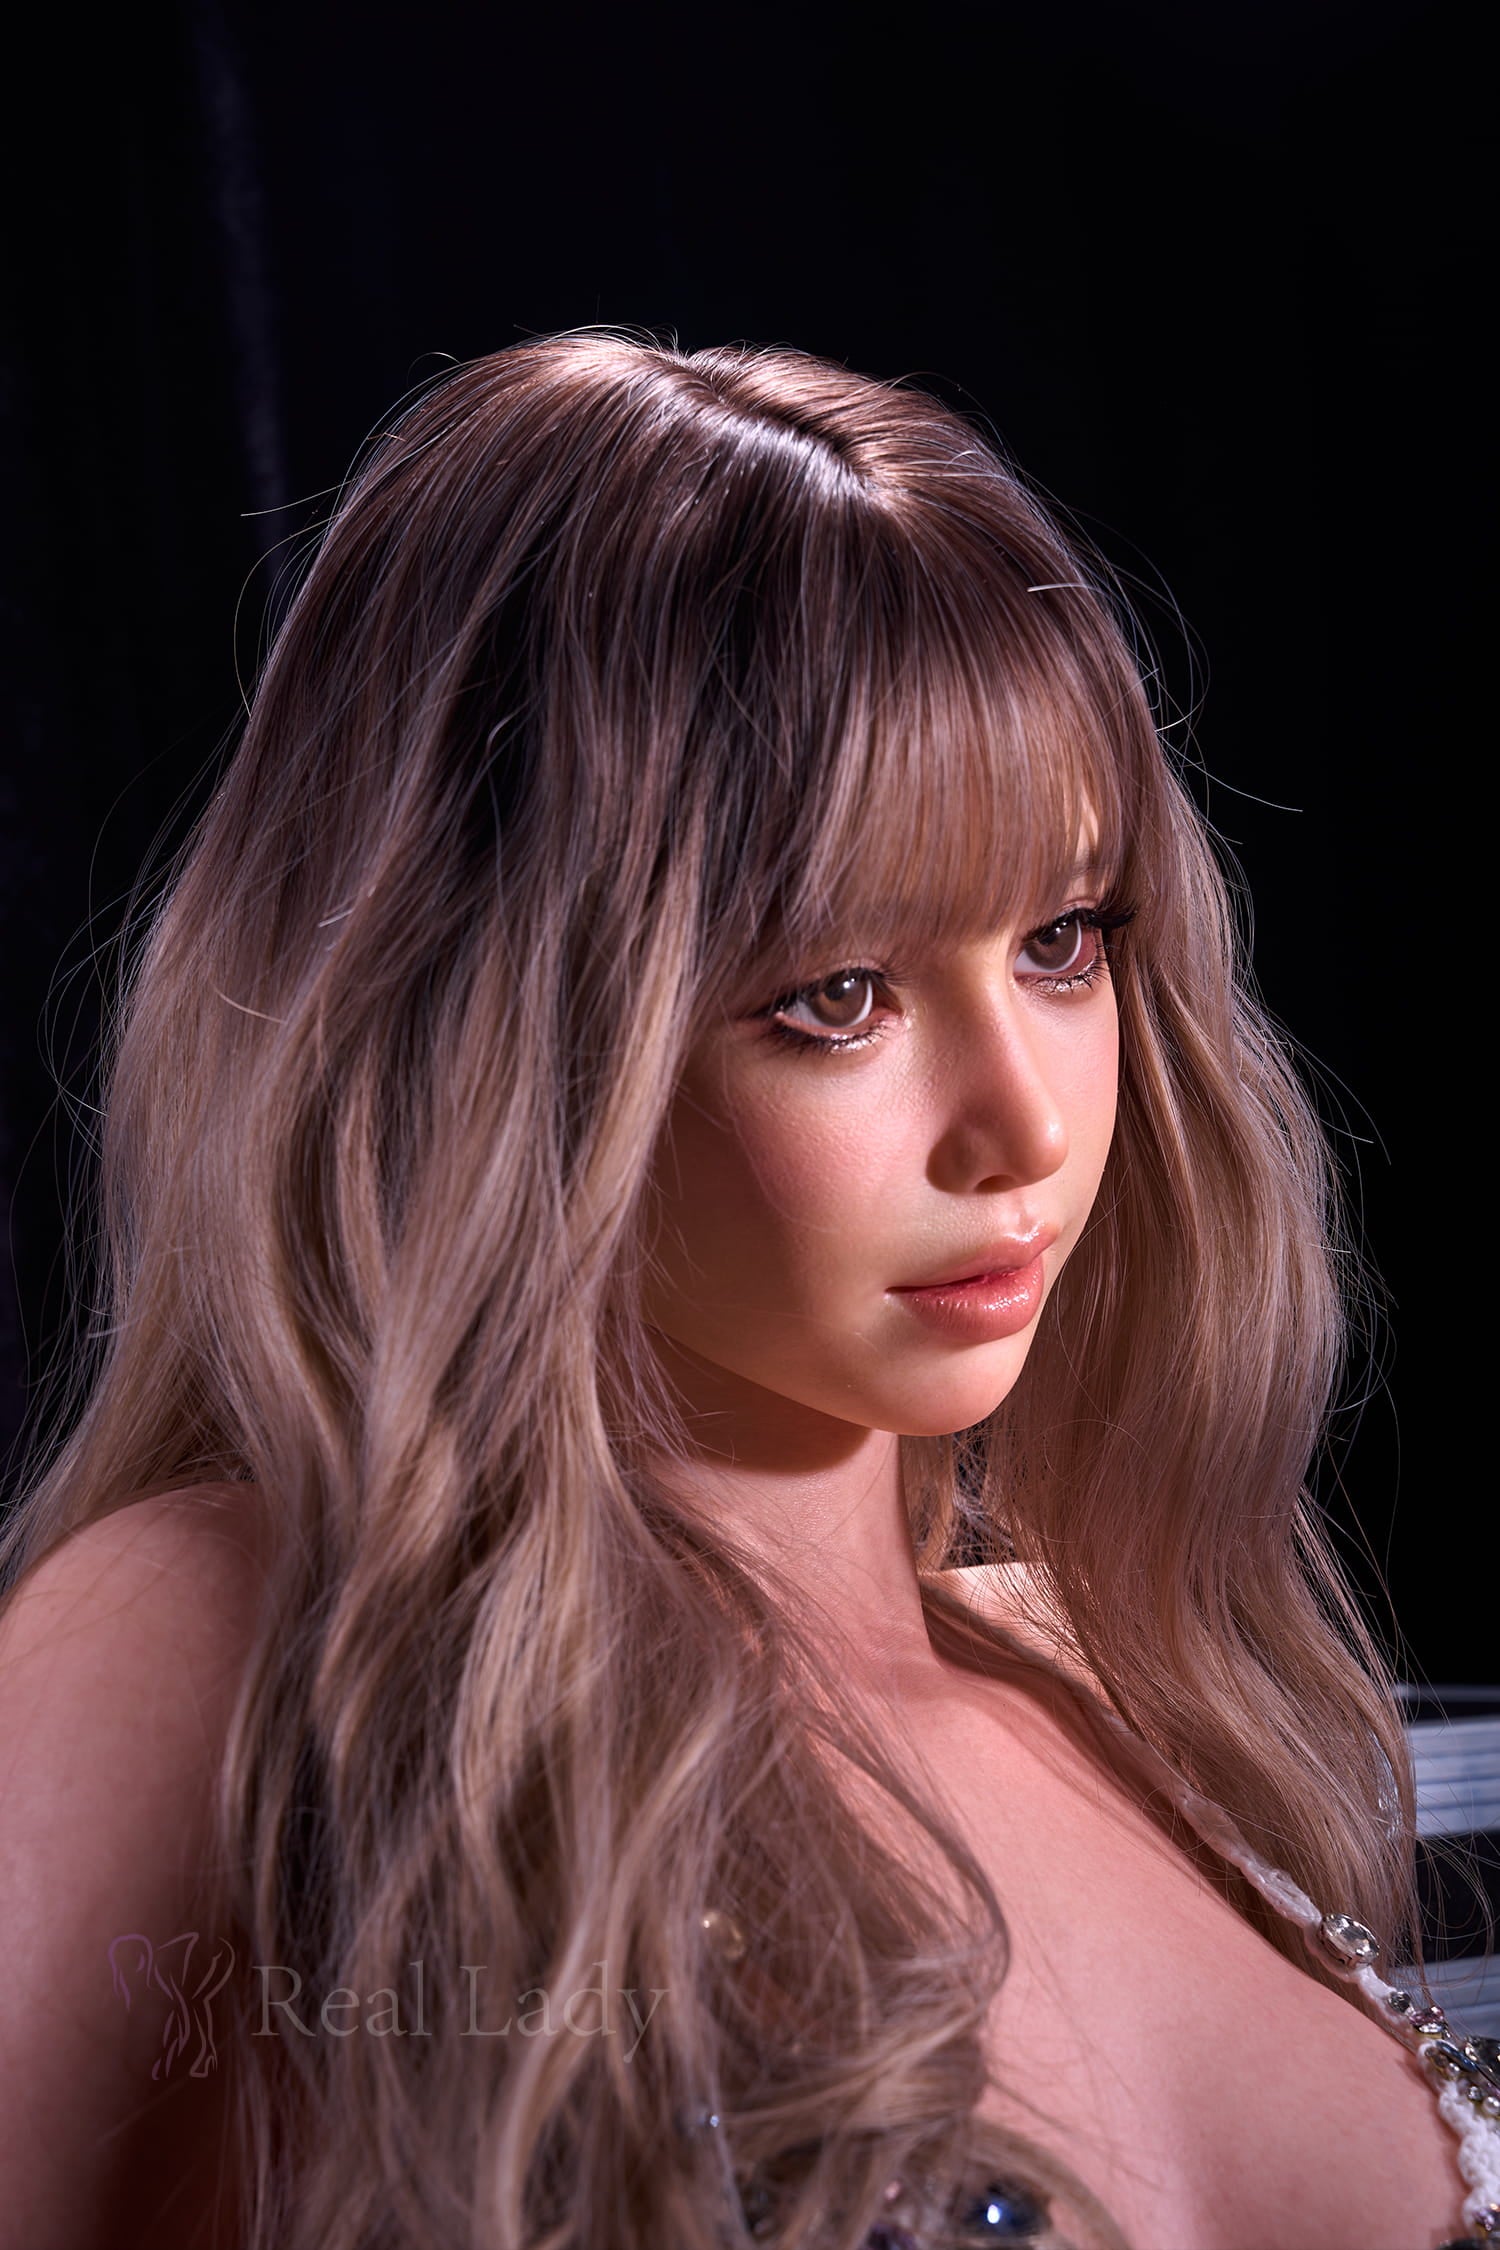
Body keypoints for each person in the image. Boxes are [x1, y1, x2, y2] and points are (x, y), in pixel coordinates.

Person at [0, 332, 1491, 2250]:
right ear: (498, 1031)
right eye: (837, 995)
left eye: (1060, 939)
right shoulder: (226, 1640)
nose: (1025, 1124)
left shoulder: (1145, 1682)